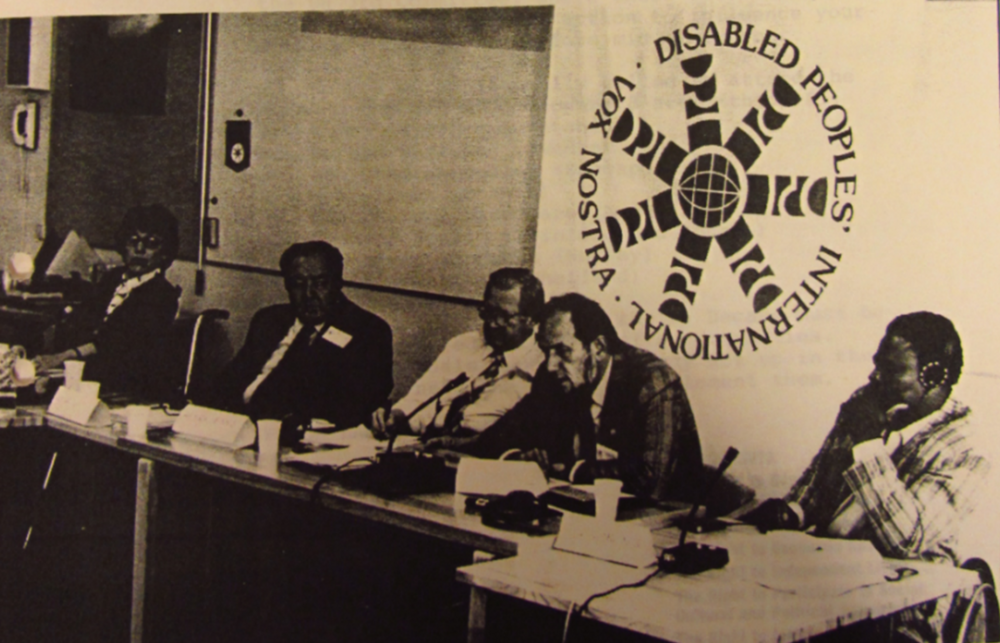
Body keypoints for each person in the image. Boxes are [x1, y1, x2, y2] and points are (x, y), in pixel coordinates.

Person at [742, 312, 989, 643]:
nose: (875, 376)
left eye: (892, 370)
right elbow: (811, 492)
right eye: (877, 364)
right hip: (825, 583)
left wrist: (869, 445)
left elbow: (907, 541)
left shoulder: (965, 448)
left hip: (903, 615)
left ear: (934, 375)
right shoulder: (866, 403)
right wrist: (791, 512)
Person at [466, 293, 703, 502]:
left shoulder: (653, 382)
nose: (550, 365)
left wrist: (573, 471)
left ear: (598, 347)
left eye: (562, 350)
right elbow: (502, 435)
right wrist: (515, 457)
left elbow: (651, 482)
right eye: (545, 351)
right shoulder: (554, 377)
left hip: (663, 527)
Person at [213, 241, 393, 428]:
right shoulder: (268, 320)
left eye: (320, 283)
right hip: (237, 427)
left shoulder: (368, 332)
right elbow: (228, 382)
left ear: (338, 283)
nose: (309, 294)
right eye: (298, 284)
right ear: (287, 286)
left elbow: (357, 407)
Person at [370, 268, 544, 442]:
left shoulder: (540, 369)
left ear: (532, 320)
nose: (492, 324)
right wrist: (397, 416)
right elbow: (421, 399)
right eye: (488, 312)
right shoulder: (463, 345)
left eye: (504, 317)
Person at [34, 204, 181, 399]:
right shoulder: (112, 279)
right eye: (133, 240)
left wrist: (59, 359)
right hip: (90, 374)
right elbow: (84, 321)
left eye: (151, 243)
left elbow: (113, 342)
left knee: (40, 391)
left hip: (124, 385)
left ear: (165, 252)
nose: (139, 249)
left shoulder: (162, 295)